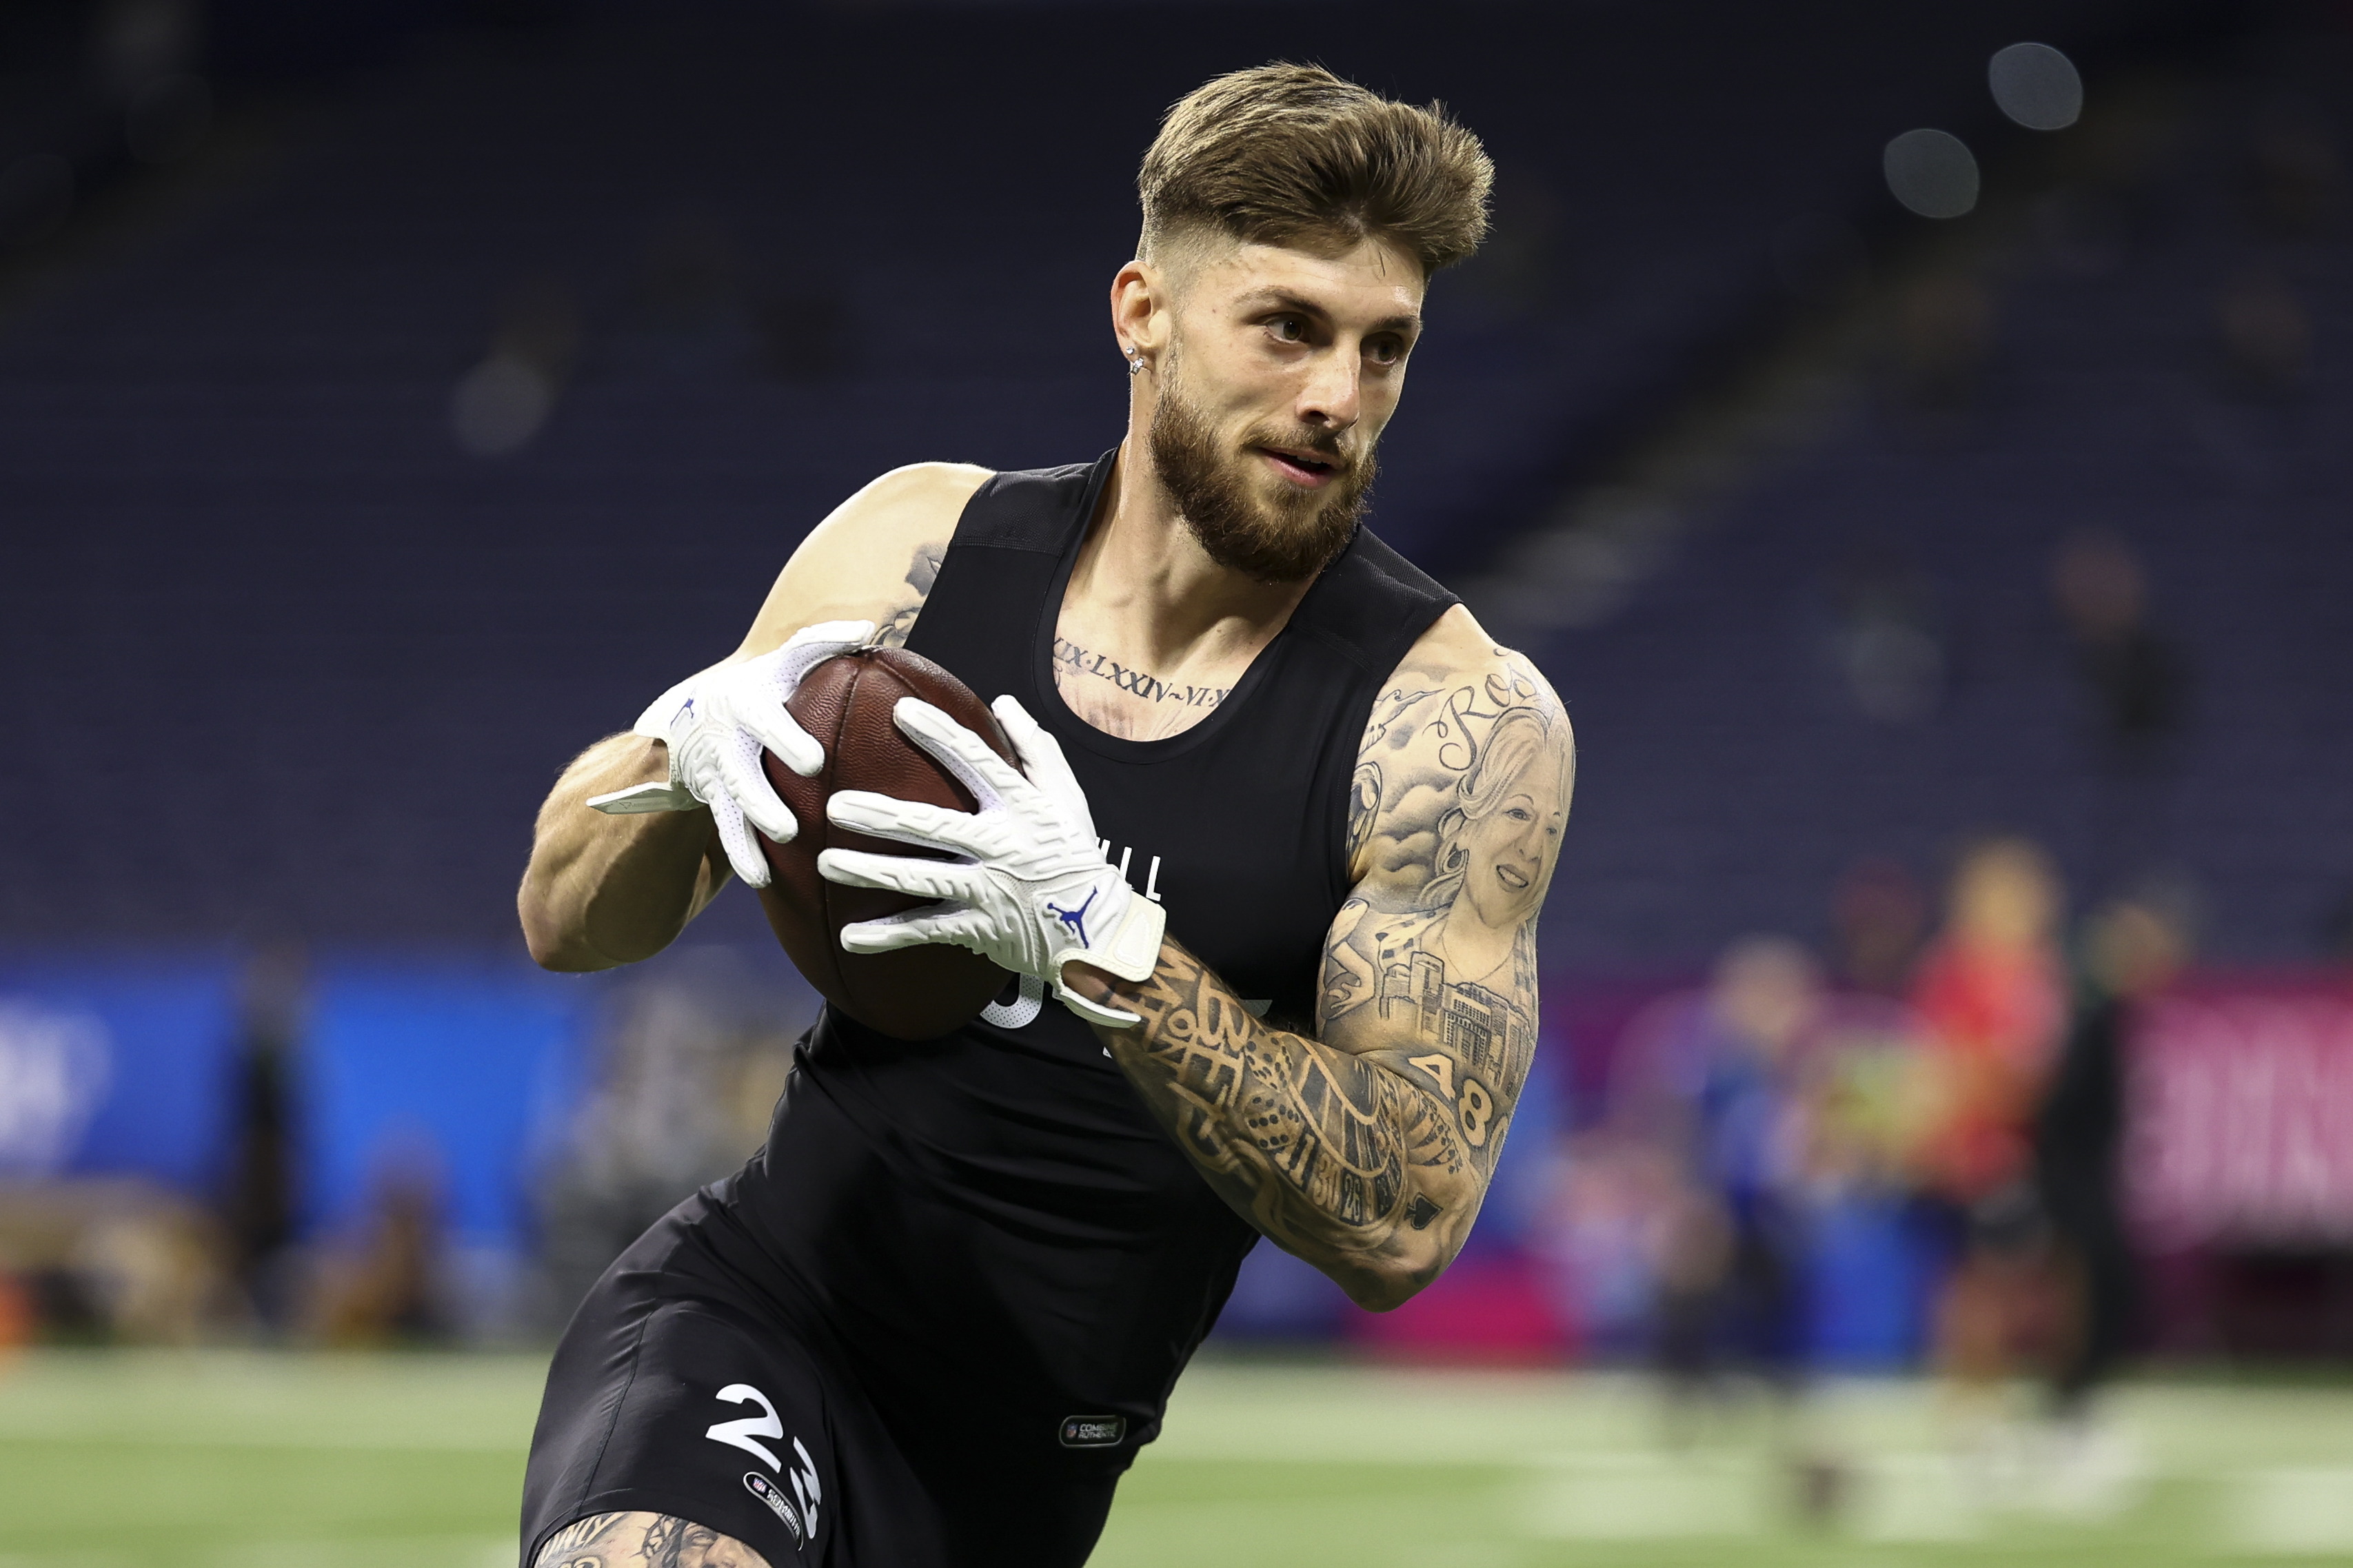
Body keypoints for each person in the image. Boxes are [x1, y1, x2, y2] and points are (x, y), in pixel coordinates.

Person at [514, 65, 1574, 1568]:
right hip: (767, 1320)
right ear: (1144, 311)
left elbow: (1404, 1216)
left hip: (1028, 1471)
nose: (1339, 396)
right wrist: (673, 754)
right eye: (1287, 327)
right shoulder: (916, 552)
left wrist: (1105, 942)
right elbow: (566, 922)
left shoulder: (1454, 723)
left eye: (1383, 348)